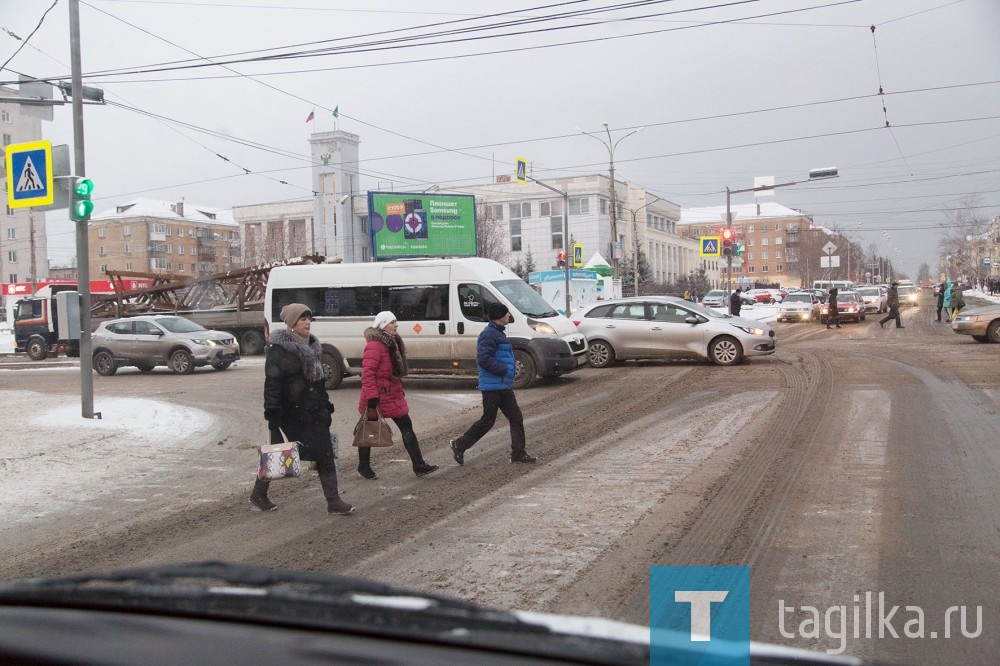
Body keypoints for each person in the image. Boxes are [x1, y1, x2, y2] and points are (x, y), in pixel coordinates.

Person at [252, 303, 354, 514]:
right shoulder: (278, 351)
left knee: (324, 453)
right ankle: (259, 492)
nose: (308, 322)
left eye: (309, 318)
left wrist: (326, 406)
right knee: (280, 453)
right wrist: (273, 416)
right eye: (302, 319)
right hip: (292, 414)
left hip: (315, 412)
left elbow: (318, 384)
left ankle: (333, 501)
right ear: (291, 323)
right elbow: (272, 384)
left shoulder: (314, 347)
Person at [450, 302, 537, 465]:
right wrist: (504, 370)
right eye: (507, 313)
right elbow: (483, 359)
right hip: (492, 386)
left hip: (503, 386)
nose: (509, 316)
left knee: (516, 417)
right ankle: (459, 445)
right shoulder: (489, 334)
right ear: (500, 316)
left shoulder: (498, 333)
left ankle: (518, 452)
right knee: (487, 421)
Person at [356, 311, 439, 480]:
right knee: (369, 430)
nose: (396, 325)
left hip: (392, 394)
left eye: (395, 322)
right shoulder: (374, 345)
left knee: (407, 428)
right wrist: (372, 397)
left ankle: (419, 465)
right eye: (392, 322)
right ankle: (363, 466)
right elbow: (367, 373)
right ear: (382, 325)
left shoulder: (392, 342)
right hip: (376, 397)